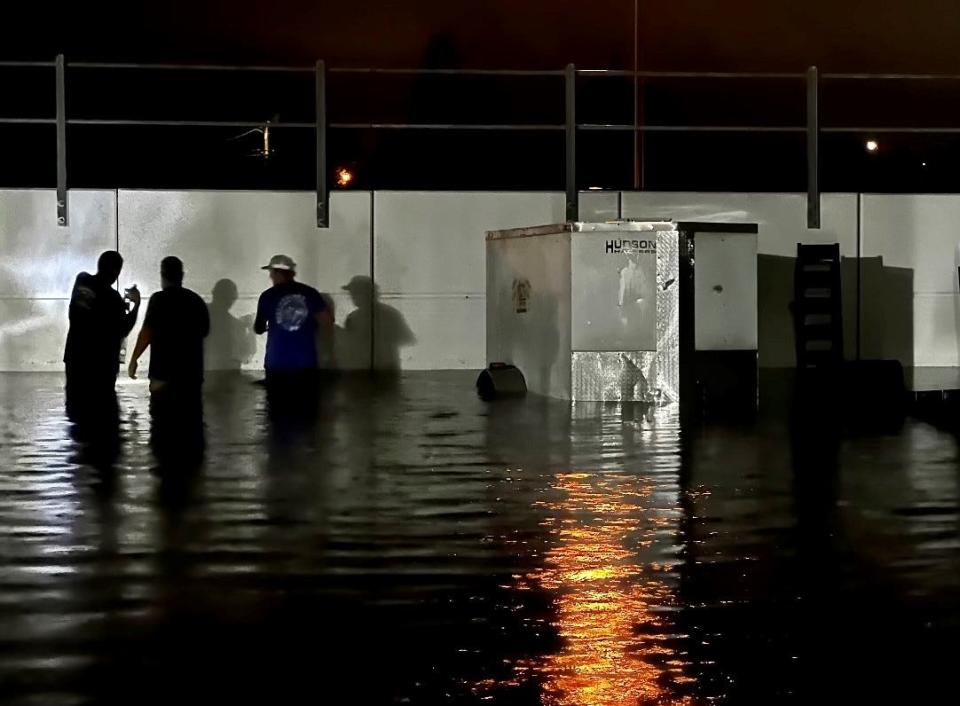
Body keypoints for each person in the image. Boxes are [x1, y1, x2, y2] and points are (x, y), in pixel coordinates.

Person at [127, 256, 210, 461]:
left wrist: (134, 358)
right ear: (182, 276)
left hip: (162, 377)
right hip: (190, 378)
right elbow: (205, 331)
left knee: (161, 436)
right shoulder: (196, 300)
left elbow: (147, 332)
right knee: (191, 434)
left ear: (162, 276)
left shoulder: (158, 299)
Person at [63, 250, 141, 420]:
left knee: (75, 410)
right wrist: (136, 305)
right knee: (102, 416)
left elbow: (79, 313)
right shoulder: (114, 300)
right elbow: (124, 329)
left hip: (75, 358)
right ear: (116, 272)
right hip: (102, 367)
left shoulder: (82, 280)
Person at [254, 254, 333, 377]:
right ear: (291, 273)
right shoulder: (310, 293)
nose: (270, 276)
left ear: (277, 273)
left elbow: (258, 328)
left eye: (271, 273)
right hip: (305, 363)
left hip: (277, 363)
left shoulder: (267, 296)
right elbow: (327, 322)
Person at [340, 275, 415, 371]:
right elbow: (407, 338)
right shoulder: (389, 313)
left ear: (367, 293)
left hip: (382, 371)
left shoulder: (354, 317)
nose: (352, 296)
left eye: (355, 292)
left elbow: (407, 339)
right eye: (352, 293)